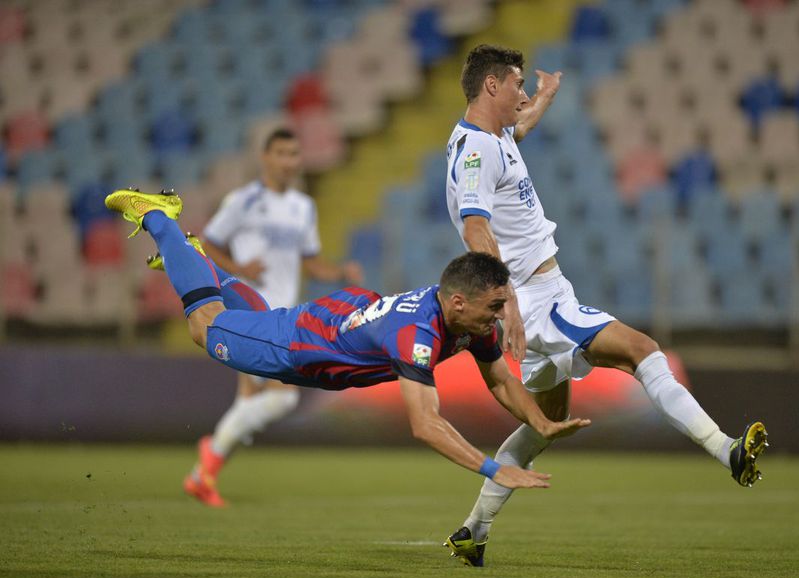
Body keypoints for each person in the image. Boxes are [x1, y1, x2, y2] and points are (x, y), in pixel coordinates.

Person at [442, 44, 769, 567]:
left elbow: (518, 132)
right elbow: (478, 227)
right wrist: (506, 302)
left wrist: (545, 98)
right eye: (519, 84)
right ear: (491, 87)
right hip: (536, 299)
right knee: (642, 349)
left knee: (544, 423)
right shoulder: (480, 152)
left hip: (536, 296)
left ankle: (472, 530)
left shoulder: (488, 139)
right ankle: (726, 448)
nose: (524, 94)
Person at [105, 188, 593, 497]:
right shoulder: (417, 336)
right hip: (298, 344)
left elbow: (501, 379)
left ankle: (191, 258)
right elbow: (425, 424)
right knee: (207, 327)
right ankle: (159, 219)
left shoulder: (469, 320)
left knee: (246, 316)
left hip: (339, 319)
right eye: (495, 306)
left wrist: (540, 422)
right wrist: (493, 469)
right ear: (460, 302)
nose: (501, 316)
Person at [178, 127, 364, 507]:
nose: (288, 161)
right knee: (281, 399)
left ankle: (206, 467)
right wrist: (238, 265)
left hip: (285, 313)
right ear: (265, 158)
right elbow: (206, 245)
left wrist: (340, 273)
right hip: (250, 310)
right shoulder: (243, 201)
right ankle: (207, 462)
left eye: (294, 154)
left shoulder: (303, 207)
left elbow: (309, 262)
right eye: (281, 153)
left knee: (250, 398)